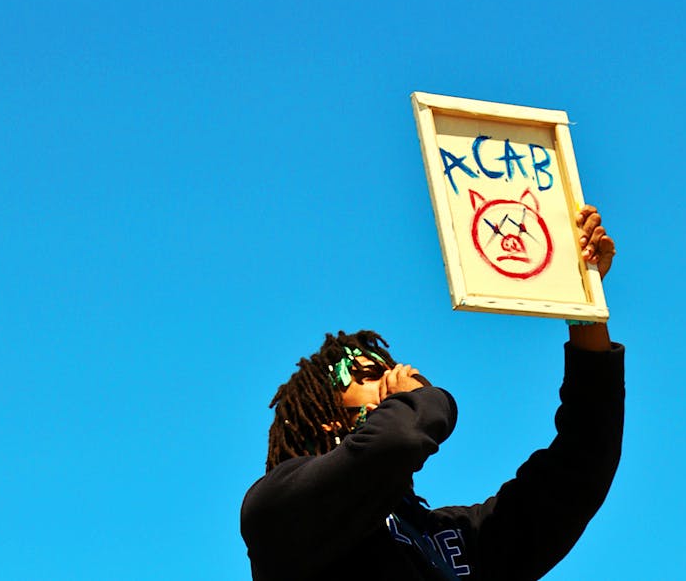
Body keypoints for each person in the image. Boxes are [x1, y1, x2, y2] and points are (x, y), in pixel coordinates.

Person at [241, 205, 623, 581]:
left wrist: (583, 304)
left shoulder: (453, 540)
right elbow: (398, 439)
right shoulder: (278, 510)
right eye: (371, 375)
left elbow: (581, 464)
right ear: (326, 421)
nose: (397, 376)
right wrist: (424, 399)